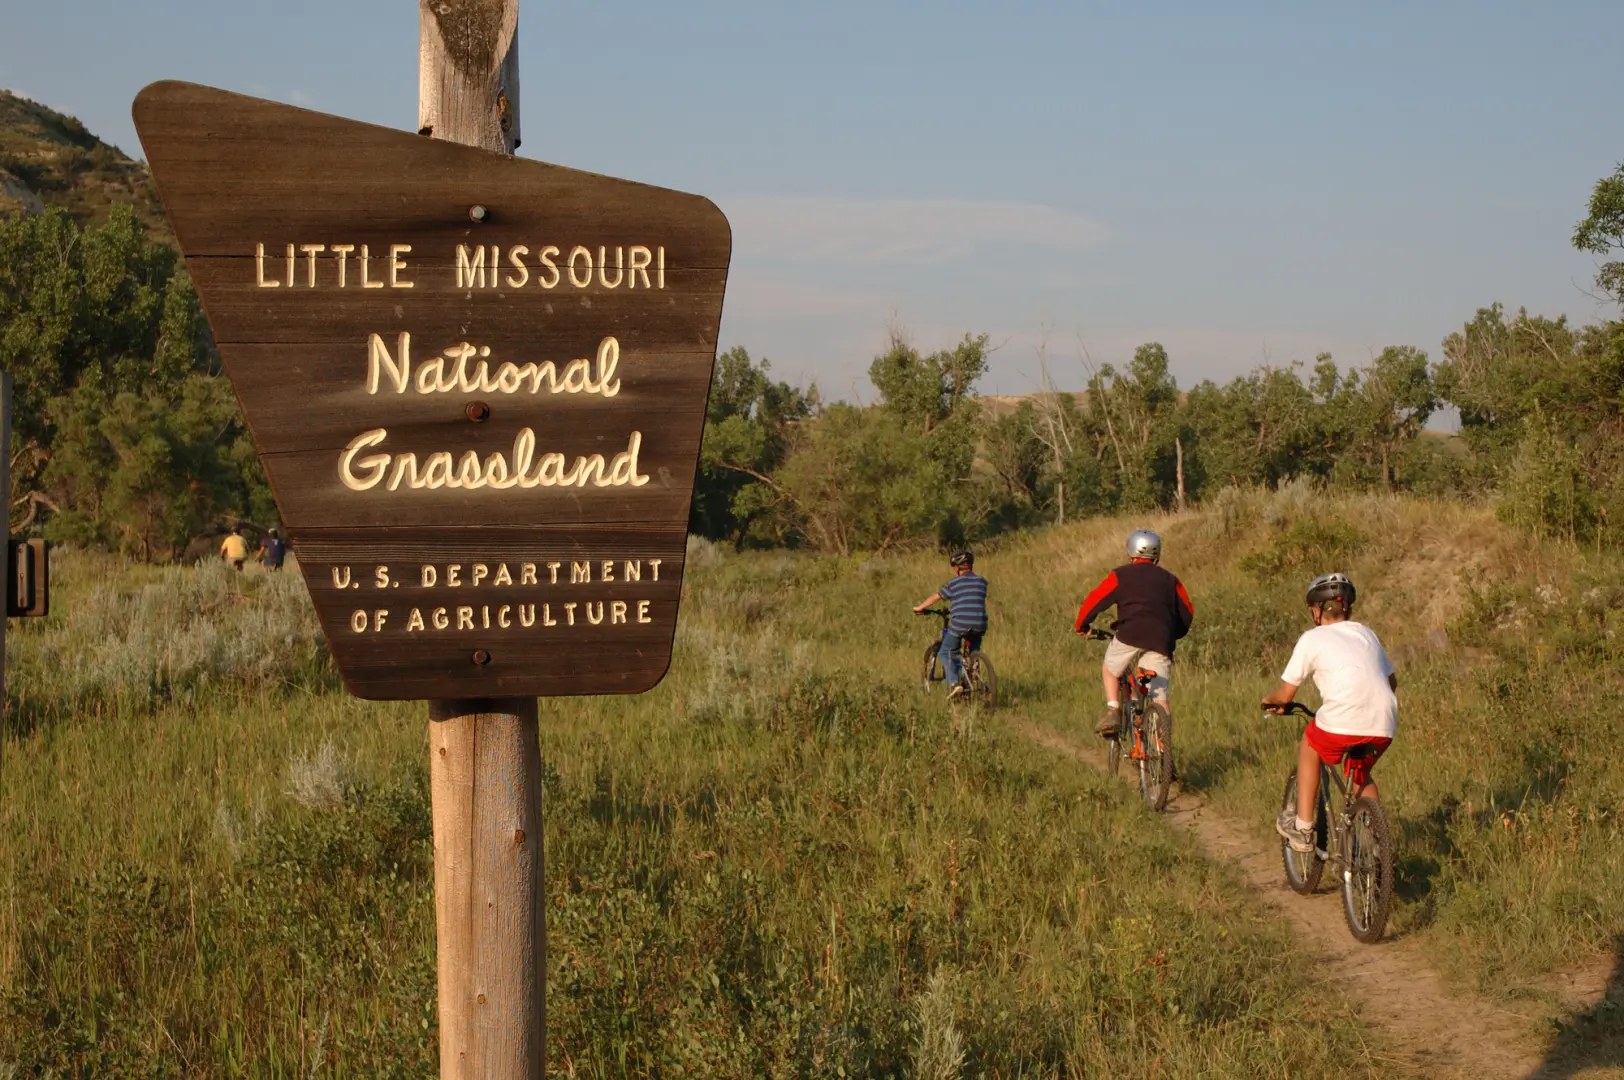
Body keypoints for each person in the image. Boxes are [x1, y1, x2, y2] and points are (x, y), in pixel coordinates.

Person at [1263, 572, 1397, 854]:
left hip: (1342, 719)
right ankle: (1378, 847)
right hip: (1383, 721)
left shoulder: (1313, 638)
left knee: (1310, 743)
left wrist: (1270, 700)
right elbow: (1392, 681)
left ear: (1316, 611)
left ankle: (1303, 828)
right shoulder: (1366, 633)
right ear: (1348, 609)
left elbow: (1286, 694)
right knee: (1360, 774)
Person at [1073, 529, 1195, 739]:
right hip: (1161, 639)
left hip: (1129, 634)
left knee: (1110, 670)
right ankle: (1164, 748)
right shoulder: (1170, 580)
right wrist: (1172, 634)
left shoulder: (1120, 576)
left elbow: (1095, 600)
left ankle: (1113, 710)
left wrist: (1082, 626)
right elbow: (1187, 612)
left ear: (1131, 551)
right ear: (1157, 554)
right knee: (1160, 699)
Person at [912, 549, 989, 700]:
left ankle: (954, 684)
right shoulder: (982, 582)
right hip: (980, 624)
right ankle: (974, 669)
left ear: (958, 567)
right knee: (973, 649)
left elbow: (937, 597)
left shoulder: (953, 583)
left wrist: (920, 607)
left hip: (961, 624)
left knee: (946, 651)